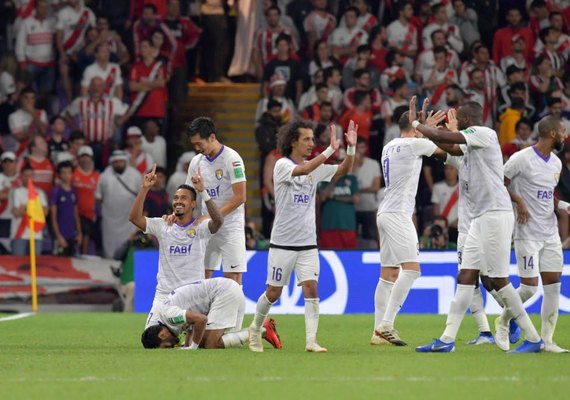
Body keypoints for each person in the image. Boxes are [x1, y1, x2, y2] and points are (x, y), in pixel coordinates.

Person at [414, 103, 543, 353]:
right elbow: (449, 145)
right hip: (478, 218)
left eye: (457, 118)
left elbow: (446, 137)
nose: (454, 122)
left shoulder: (485, 134)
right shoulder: (469, 144)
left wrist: (419, 126)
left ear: (465, 119)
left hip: (495, 213)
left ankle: (533, 337)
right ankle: (447, 340)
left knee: (497, 279)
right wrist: (427, 132)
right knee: (466, 276)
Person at [248, 119, 357, 353]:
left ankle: (311, 341)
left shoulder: (314, 166)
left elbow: (344, 169)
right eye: (306, 139)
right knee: (273, 293)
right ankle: (255, 328)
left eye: (313, 139)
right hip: (282, 244)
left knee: (311, 288)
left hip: (308, 243)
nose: (311, 144)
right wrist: (329, 150)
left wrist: (351, 148)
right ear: (292, 142)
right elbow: (303, 170)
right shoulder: (282, 166)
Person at [372, 97, 447, 346]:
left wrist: (423, 129)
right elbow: (443, 151)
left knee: (388, 274)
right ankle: (387, 324)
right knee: (412, 270)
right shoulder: (415, 145)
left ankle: (377, 333)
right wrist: (432, 130)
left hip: (384, 212)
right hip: (398, 215)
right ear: (415, 127)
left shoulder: (389, 145)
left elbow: (421, 143)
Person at [496, 116, 569, 353]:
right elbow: (499, 183)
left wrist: (563, 206)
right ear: (551, 134)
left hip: (550, 233)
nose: (565, 136)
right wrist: (518, 201)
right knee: (528, 288)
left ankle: (547, 341)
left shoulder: (556, 163)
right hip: (527, 232)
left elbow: (548, 195)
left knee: (552, 287)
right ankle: (504, 320)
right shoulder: (521, 159)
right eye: (562, 132)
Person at [129, 163, 223, 328]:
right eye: (176, 198)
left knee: (209, 343)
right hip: (165, 296)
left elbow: (218, 221)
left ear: (193, 204)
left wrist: (203, 192)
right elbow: (135, 219)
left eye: (184, 198)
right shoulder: (163, 225)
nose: (178, 201)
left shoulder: (200, 228)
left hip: (193, 296)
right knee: (151, 339)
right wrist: (144, 189)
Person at [186, 117, 247, 330]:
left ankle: (234, 330)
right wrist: (182, 219)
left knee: (233, 280)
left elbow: (240, 197)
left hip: (230, 228)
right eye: (194, 145)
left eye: (199, 144)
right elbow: (189, 194)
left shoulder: (233, 159)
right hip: (206, 229)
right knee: (200, 277)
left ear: (212, 137)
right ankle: (199, 327)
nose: (197, 148)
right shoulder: (196, 162)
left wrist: (214, 216)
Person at [140, 278, 281, 350]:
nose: (170, 348)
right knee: (203, 341)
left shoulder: (170, 315)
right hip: (227, 290)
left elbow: (201, 320)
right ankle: (258, 330)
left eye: (166, 347)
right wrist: (188, 345)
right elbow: (192, 329)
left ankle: (262, 329)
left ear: (163, 335)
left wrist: (192, 348)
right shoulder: (171, 320)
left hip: (224, 293)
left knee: (211, 344)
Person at [96, 150, 142, 259]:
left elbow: (141, 195)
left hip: (128, 218)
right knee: (109, 243)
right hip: (109, 218)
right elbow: (98, 197)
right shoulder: (104, 176)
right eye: (116, 162)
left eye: (121, 162)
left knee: (127, 243)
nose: (118, 164)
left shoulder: (135, 175)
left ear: (125, 162)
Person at [10, 161, 48, 256]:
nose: (28, 178)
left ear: (34, 177)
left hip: (36, 234)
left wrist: (25, 208)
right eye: (25, 176)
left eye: (30, 175)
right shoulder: (16, 192)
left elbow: (45, 212)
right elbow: (16, 212)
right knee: (17, 265)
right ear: (21, 177)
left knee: (35, 267)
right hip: (20, 234)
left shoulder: (40, 193)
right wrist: (35, 208)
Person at [353, 137, 381, 249]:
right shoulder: (348, 164)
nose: (360, 150)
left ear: (366, 148)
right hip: (353, 207)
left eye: (362, 147)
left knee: (370, 238)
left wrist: (358, 189)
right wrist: (355, 165)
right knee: (354, 238)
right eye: (357, 148)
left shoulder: (373, 164)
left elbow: (376, 187)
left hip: (369, 207)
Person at [71, 145, 99, 255]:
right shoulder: (73, 174)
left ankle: (84, 256)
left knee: (87, 235)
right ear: (78, 159)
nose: (85, 159)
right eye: (82, 156)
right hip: (74, 212)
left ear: (91, 158)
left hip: (89, 213)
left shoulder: (96, 176)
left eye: (87, 156)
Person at [50, 161, 81, 256]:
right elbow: (53, 217)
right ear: (59, 175)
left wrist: (79, 233)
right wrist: (58, 236)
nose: (66, 175)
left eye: (69, 172)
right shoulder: (56, 191)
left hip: (72, 235)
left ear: (72, 174)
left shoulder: (73, 191)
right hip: (61, 235)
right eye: (63, 172)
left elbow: (75, 214)